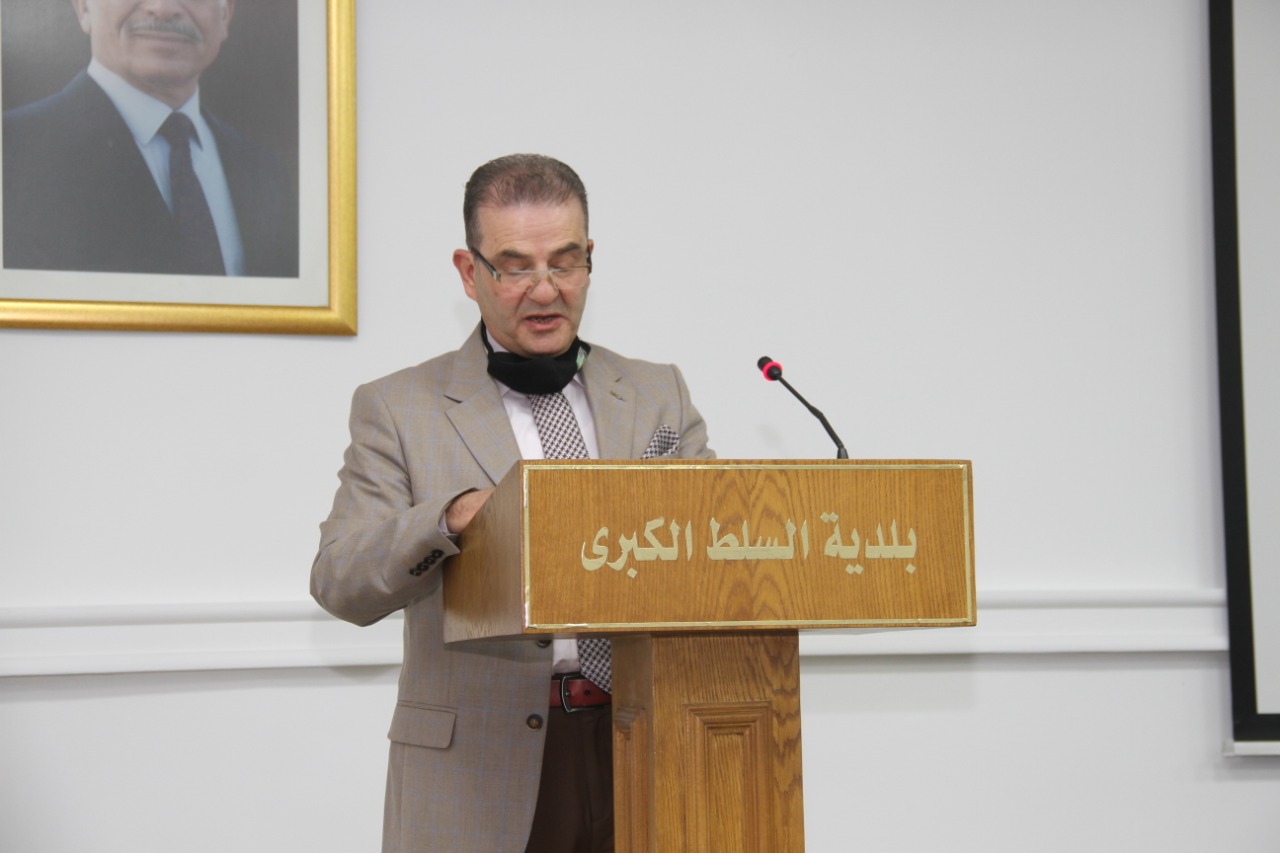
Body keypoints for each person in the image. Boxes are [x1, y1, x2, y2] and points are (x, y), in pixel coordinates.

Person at [311, 154, 714, 852]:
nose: (545, 289)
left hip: (646, 739)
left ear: (590, 259)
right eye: (515, 267)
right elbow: (340, 581)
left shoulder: (658, 393)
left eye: (565, 261)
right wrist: (446, 521)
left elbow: (717, 547)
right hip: (480, 768)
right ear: (470, 273)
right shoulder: (397, 407)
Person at [2, 0, 297, 277]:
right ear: (84, 8)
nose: (163, 8)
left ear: (225, 14)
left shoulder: (265, 173)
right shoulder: (13, 152)